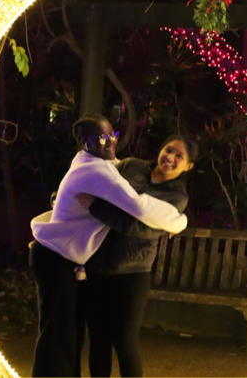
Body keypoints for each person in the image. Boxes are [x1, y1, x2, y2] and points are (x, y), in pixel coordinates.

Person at [29, 115, 188, 378]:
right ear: (84, 142)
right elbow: (136, 206)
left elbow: (118, 183)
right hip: (58, 259)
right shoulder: (97, 170)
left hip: (67, 259)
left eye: (112, 135)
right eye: (101, 137)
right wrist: (179, 222)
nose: (110, 141)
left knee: (70, 334)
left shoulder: (95, 163)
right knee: (59, 336)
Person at [75, 135, 198, 377]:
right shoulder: (132, 165)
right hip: (96, 264)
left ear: (188, 166)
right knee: (98, 341)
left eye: (179, 156)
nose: (170, 158)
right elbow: (97, 181)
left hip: (132, 273)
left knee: (125, 343)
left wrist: (98, 207)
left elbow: (143, 229)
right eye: (168, 149)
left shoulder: (176, 197)